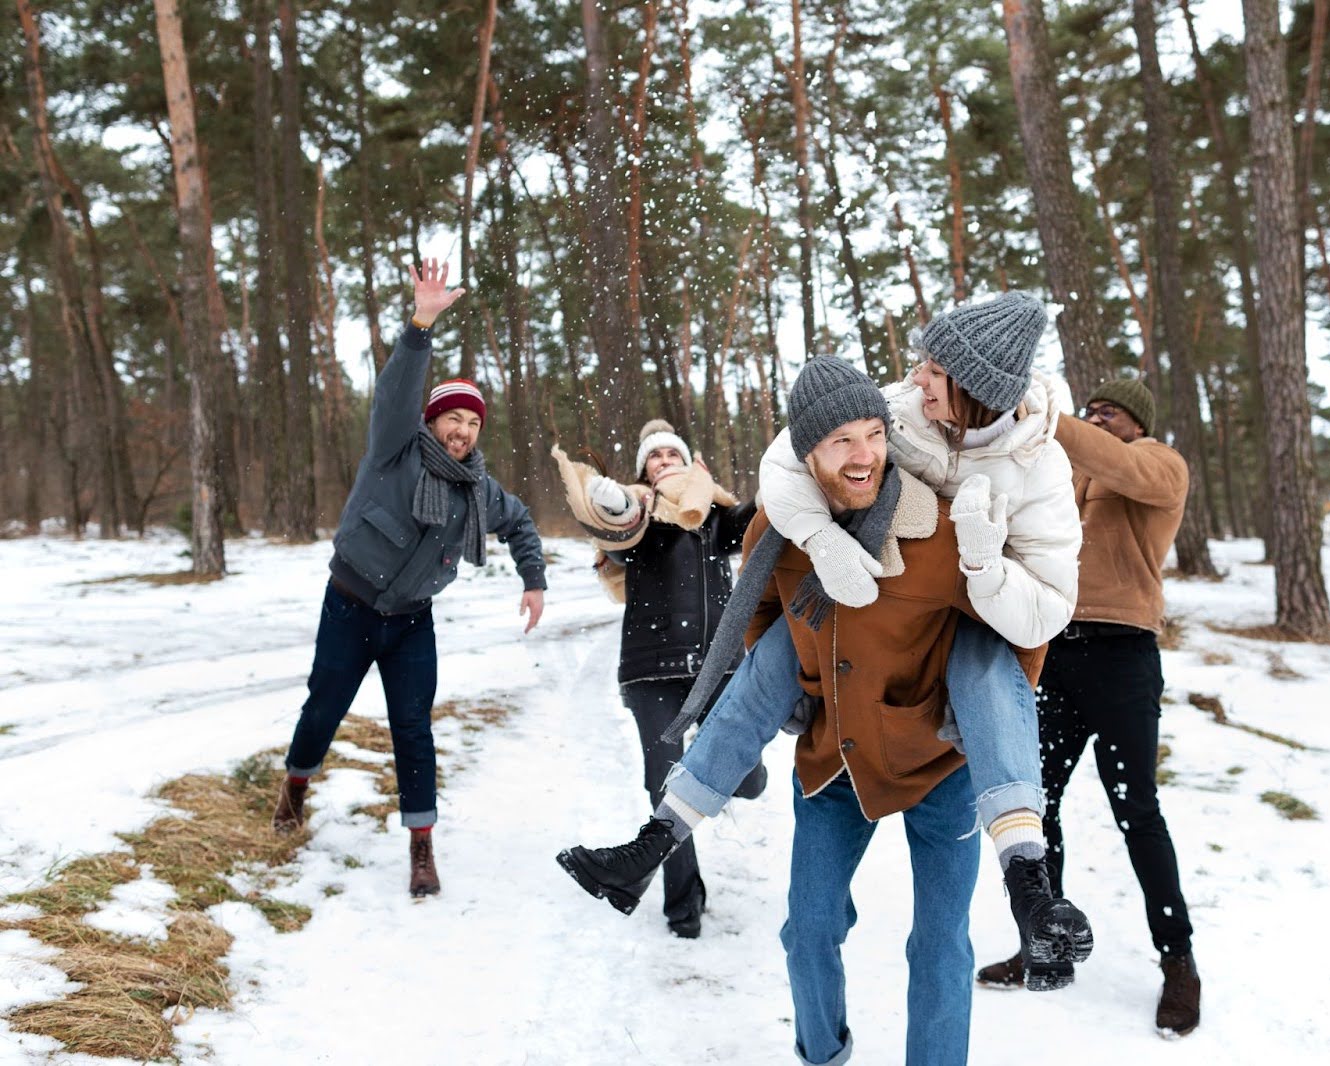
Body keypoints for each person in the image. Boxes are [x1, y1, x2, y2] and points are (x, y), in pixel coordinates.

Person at [559, 292, 1093, 991]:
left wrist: (985, 567)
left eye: (934, 369)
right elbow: (790, 456)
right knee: (781, 646)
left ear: (973, 389)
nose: (916, 375)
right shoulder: (902, 407)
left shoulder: (1039, 470)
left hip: (971, 613)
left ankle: (1028, 878)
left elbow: (1049, 608)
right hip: (859, 579)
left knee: (987, 663)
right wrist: (818, 539)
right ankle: (655, 841)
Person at [272, 259, 548, 899]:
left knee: (414, 729)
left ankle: (421, 847)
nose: (463, 429)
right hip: (349, 605)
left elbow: (522, 522)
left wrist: (532, 578)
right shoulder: (394, 449)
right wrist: (421, 324)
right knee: (324, 708)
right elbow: (397, 390)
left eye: (474, 422)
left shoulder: (479, 490)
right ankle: (295, 784)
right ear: (432, 421)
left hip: (410, 621)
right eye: (454, 417)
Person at [975, 377, 1202, 1037]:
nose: (1097, 420)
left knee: (1138, 812)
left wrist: (1055, 417)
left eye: (1110, 413)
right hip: (1058, 654)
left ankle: (1178, 961)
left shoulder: (1159, 466)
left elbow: (1121, 464)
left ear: (1137, 423)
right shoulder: (1068, 478)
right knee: (1033, 805)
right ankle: (1045, 941)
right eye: (1092, 411)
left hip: (1124, 657)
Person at [570, 419, 766, 938]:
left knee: (749, 779)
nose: (662, 461)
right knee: (665, 788)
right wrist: (615, 509)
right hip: (650, 672)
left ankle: (719, 779)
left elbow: (752, 525)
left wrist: (769, 484)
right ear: (645, 471)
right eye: (653, 457)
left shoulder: (712, 512)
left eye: (670, 453)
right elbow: (616, 544)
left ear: (688, 461)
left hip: (719, 668)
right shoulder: (635, 516)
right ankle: (684, 902)